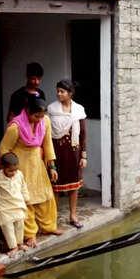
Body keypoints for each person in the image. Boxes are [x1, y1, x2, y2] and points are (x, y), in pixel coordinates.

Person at [0, 97, 64, 248]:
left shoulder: (45, 121)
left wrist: (52, 167)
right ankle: (30, 235)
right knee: (26, 201)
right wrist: (10, 171)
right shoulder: (15, 127)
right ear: (27, 111)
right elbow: (4, 149)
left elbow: (47, 143)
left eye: (42, 116)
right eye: (36, 116)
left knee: (45, 196)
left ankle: (49, 227)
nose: (39, 120)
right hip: (20, 166)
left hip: (37, 164)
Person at [47, 79, 88, 228]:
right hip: (57, 152)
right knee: (55, 185)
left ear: (70, 93)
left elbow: (83, 134)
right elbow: (47, 135)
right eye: (57, 91)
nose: (59, 94)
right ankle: (53, 217)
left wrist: (83, 155)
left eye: (62, 91)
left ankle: (73, 215)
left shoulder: (78, 110)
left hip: (74, 152)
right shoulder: (51, 110)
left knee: (74, 186)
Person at [0, 152, 29, 257]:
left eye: (15, 170)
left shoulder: (20, 174)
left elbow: (23, 187)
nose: (13, 173)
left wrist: (26, 198)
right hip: (4, 206)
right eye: (10, 170)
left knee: (19, 225)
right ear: (2, 167)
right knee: (7, 227)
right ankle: (13, 247)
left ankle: (19, 243)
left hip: (18, 203)